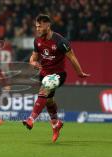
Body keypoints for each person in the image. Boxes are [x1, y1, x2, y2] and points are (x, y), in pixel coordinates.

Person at [22, 14, 90, 142]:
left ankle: (31, 119)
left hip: (58, 75)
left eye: (40, 26)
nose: (37, 29)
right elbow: (33, 58)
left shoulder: (60, 41)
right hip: (44, 74)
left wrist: (80, 72)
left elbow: (72, 57)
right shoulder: (37, 41)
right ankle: (56, 124)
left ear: (48, 25)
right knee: (48, 101)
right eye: (36, 26)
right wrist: (33, 63)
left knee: (45, 88)